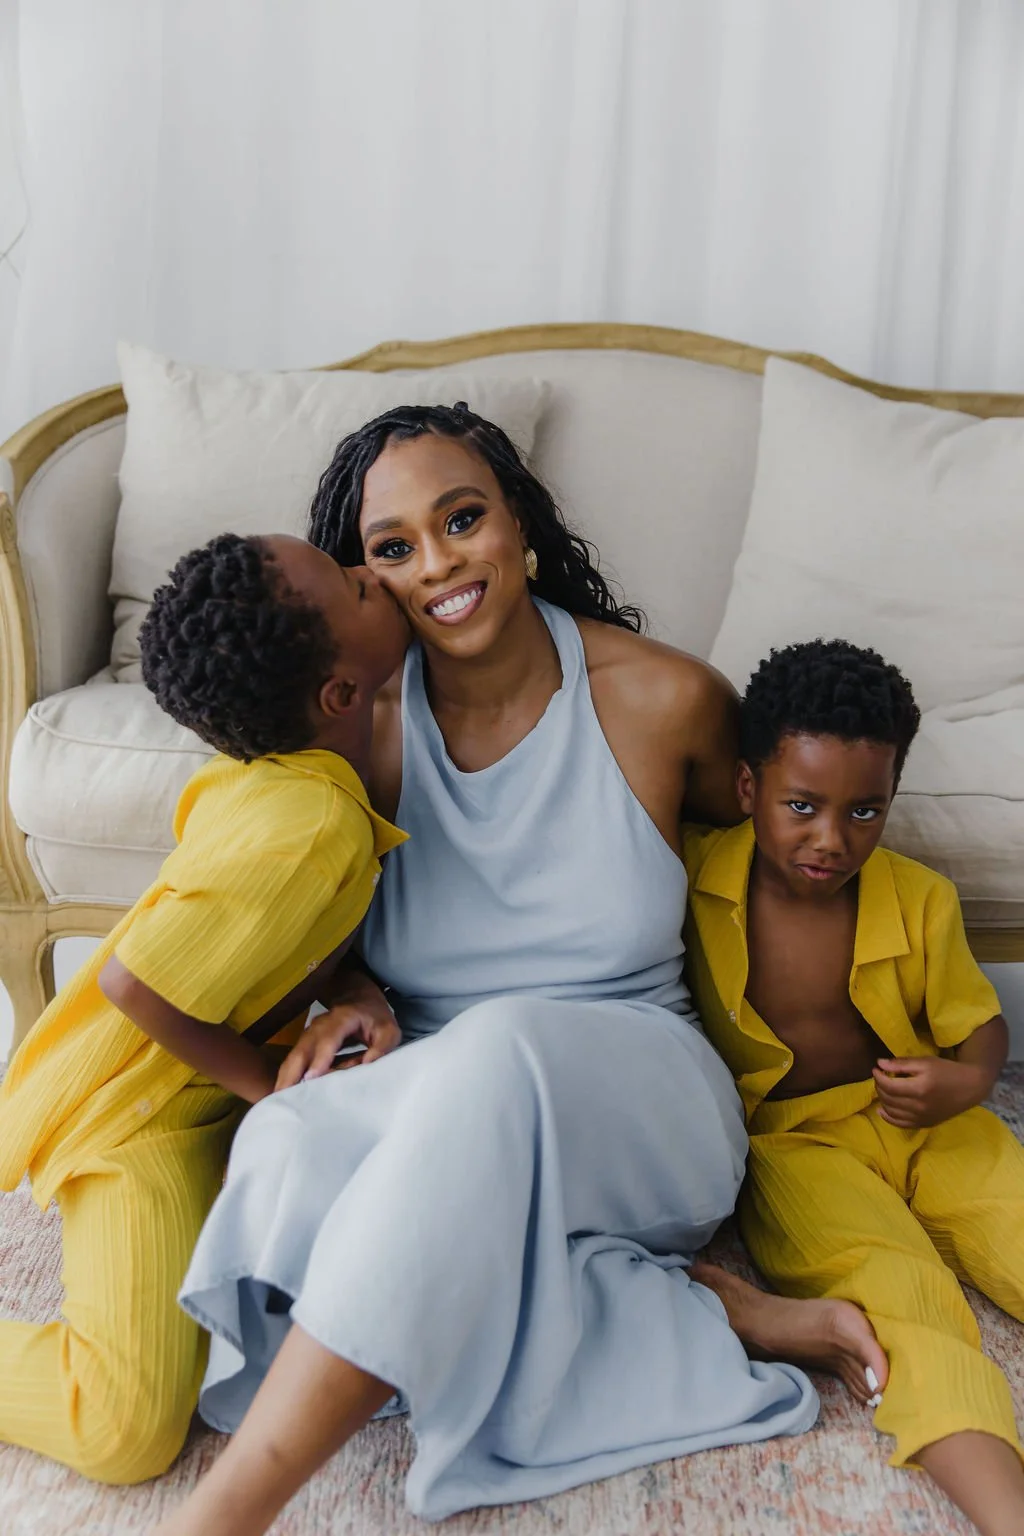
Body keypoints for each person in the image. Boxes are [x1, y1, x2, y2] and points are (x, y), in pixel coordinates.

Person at [157, 406, 881, 1536]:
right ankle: (701, 1312)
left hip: (642, 1094)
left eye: (461, 519)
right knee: (288, 1134)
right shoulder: (358, 734)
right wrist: (348, 998)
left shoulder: (665, 699)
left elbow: (784, 868)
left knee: (496, 1052)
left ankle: (230, 1509)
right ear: (366, 577)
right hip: (446, 1095)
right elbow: (331, 932)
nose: (439, 564)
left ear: (518, 520)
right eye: (393, 548)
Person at [0, 532, 408, 1484]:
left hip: (184, 1110)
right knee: (128, 1429)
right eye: (357, 584)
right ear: (341, 695)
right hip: (131, 1123)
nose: (377, 573)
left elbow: (289, 945)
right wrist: (265, 1083)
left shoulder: (290, 784)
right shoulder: (305, 823)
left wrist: (348, 988)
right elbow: (131, 984)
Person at [682, 638, 1024, 1536]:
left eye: (865, 811)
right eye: (802, 805)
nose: (832, 839)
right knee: (899, 1302)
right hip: (799, 1147)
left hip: (927, 1122)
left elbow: (979, 1026)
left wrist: (965, 1080)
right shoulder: (687, 884)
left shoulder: (920, 899)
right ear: (750, 789)